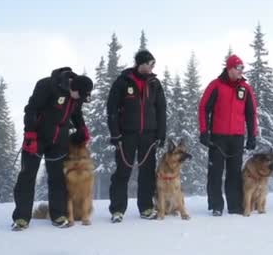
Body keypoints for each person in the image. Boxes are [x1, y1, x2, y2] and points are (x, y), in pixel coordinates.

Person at [12, 68, 93, 231]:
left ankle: (58, 215)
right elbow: (31, 110)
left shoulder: (76, 97)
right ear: (74, 88)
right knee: (27, 176)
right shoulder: (47, 86)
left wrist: (82, 128)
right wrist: (30, 135)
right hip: (37, 138)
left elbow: (76, 113)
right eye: (81, 96)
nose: (80, 100)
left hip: (59, 140)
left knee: (57, 179)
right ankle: (21, 218)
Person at [107, 50, 166, 223]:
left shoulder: (155, 83)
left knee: (147, 173)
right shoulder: (123, 81)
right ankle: (117, 209)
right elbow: (112, 110)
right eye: (150, 63)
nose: (152, 67)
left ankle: (146, 207)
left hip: (149, 135)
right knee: (122, 172)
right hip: (126, 135)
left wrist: (161, 134)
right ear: (141, 63)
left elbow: (161, 110)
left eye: (153, 64)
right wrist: (115, 134)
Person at [198, 54, 257, 216]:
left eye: (242, 68)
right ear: (230, 68)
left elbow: (251, 114)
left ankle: (234, 205)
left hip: (237, 137)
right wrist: (204, 132)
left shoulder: (245, 88)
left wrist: (252, 135)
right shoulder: (216, 85)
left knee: (235, 172)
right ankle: (216, 205)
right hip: (218, 137)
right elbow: (203, 108)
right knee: (215, 172)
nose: (240, 71)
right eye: (238, 68)